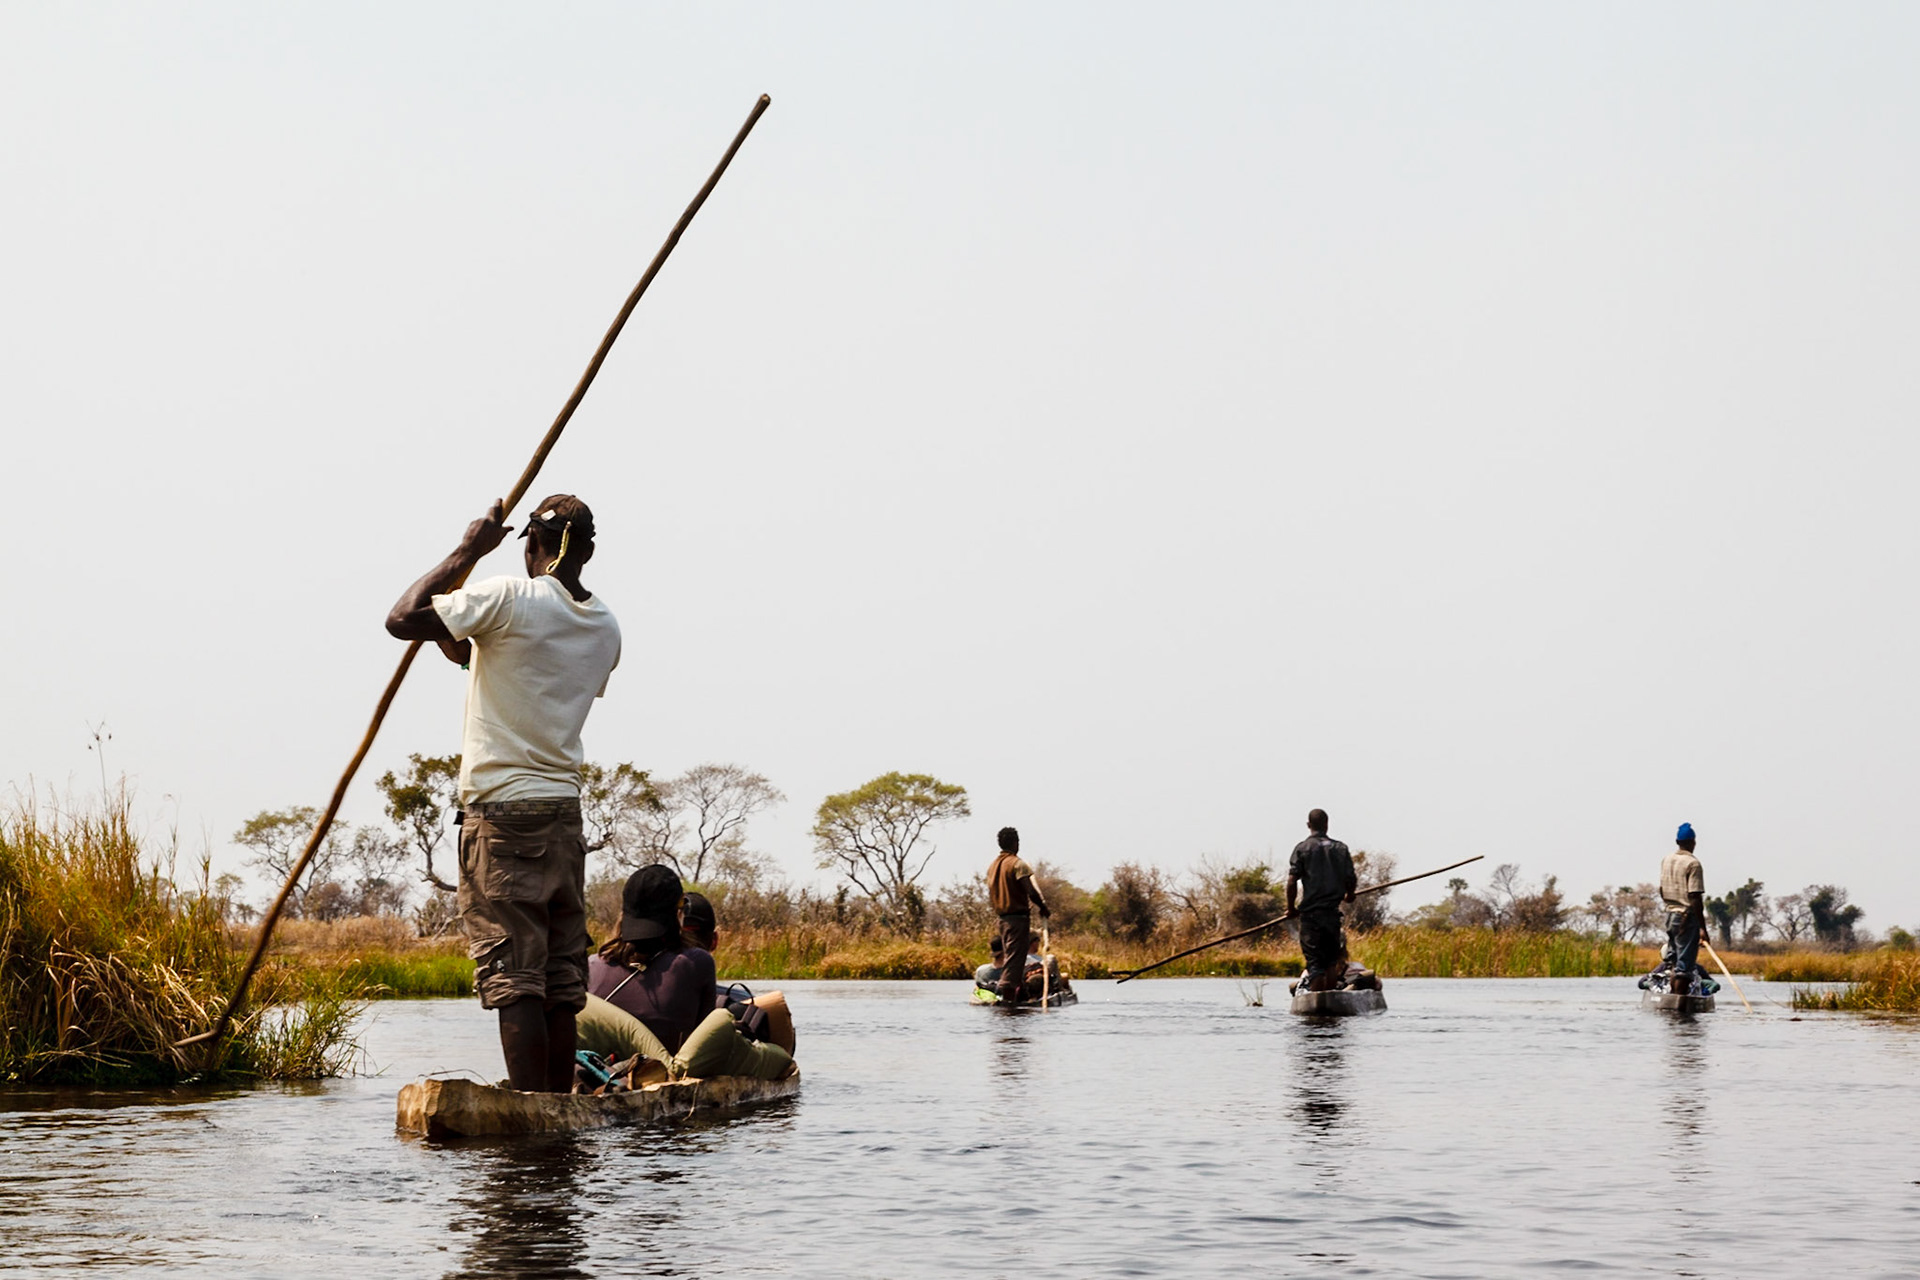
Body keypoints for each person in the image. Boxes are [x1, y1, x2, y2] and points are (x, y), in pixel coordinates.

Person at [386, 494, 620, 1092]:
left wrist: (469, 549)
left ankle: (530, 1114)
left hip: (503, 813)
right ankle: (558, 1113)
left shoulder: (509, 596)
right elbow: (494, 661)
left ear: (532, 547)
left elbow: (402, 618)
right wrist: (460, 636)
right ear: (587, 551)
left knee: (515, 974)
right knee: (561, 980)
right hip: (564, 817)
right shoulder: (604, 628)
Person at [587, 865, 716, 1053]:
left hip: (600, 1076)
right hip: (663, 1074)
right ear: (678, 912)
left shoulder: (592, 965)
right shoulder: (697, 962)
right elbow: (705, 1044)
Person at [1286, 809, 1357, 993]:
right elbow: (1350, 877)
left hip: (1311, 917)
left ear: (1309, 825)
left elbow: (1292, 881)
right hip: (1332, 916)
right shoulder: (1340, 848)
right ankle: (1331, 1007)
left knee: (1315, 965)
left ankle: (1317, 1007)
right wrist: (1350, 895)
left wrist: (1290, 908)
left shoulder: (1302, 848)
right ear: (1327, 824)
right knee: (1330, 964)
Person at [987, 827, 1049, 1004]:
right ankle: (1008, 1001)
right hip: (1017, 919)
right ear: (1015, 843)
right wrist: (1042, 907)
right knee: (1014, 959)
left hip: (1002, 919)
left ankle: (1019, 993)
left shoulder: (993, 866)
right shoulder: (1017, 864)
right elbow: (1030, 891)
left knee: (1013, 957)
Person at [1660, 823, 1707, 994]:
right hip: (1686, 917)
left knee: (1673, 962)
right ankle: (1680, 1005)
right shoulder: (1693, 864)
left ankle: (1672, 1003)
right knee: (1684, 966)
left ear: (1677, 841)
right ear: (1693, 842)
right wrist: (1702, 927)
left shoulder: (1667, 860)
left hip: (1670, 915)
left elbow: (1661, 890)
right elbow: (1694, 897)